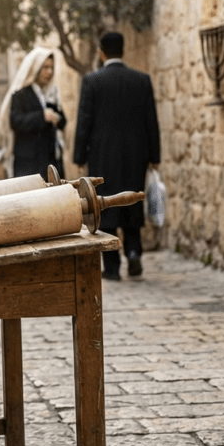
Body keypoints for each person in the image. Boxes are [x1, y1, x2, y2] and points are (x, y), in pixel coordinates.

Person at [73, 32, 161, 281]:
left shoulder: (92, 81)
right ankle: (134, 253)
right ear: (123, 51)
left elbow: (84, 121)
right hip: (136, 154)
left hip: (103, 156)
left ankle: (111, 266)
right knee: (133, 202)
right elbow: (150, 121)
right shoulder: (141, 80)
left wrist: (79, 155)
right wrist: (155, 155)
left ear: (101, 52)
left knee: (106, 206)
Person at [0, 47, 67, 179]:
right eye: (45, 67)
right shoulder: (20, 95)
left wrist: (56, 117)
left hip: (51, 162)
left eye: (51, 68)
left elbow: (63, 122)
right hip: (28, 164)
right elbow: (15, 121)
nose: (49, 72)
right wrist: (42, 116)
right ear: (36, 68)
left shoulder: (51, 95)